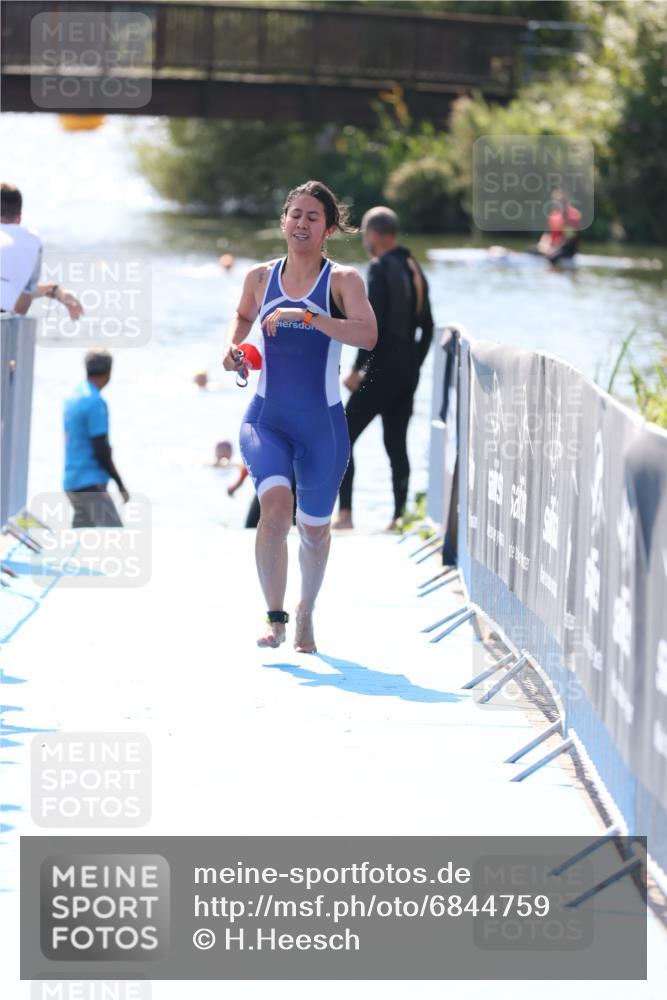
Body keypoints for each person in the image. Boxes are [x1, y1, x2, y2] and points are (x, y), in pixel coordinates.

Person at [222, 180, 377, 653]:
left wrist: (309, 318)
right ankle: (276, 618)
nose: (301, 224)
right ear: (283, 221)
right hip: (265, 418)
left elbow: (368, 336)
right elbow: (242, 323)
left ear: (328, 229)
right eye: (295, 215)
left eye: (313, 217)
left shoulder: (342, 281)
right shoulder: (258, 277)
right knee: (274, 509)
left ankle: (307, 609)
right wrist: (234, 353)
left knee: (314, 529)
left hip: (322, 426)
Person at [333, 206, 434, 532]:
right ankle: (398, 517)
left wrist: (358, 369)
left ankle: (346, 515)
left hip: (381, 371)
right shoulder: (413, 266)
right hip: (407, 372)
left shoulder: (378, 267)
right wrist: (412, 366)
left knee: (341, 438)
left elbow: (371, 328)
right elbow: (428, 328)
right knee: (396, 445)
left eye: (365, 234)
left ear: (374, 234)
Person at [64, 349, 129, 528]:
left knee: (81, 542)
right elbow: (101, 449)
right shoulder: (95, 402)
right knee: (115, 536)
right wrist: (120, 485)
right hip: (89, 483)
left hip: (72, 480)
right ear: (108, 372)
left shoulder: (73, 395)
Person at [0, 183, 83, 318]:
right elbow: (21, 307)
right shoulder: (32, 240)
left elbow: (11, 288)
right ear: (19, 218)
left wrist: (54, 291)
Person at [536, 188, 582, 263]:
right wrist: (543, 245)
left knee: (552, 258)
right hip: (552, 247)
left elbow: (569, 238)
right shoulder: (554, 215)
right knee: (531, 251)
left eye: (560, 201)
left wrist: (552, 249)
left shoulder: (572, 216)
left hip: (567, 249)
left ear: (566, 201)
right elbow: (547, 234)